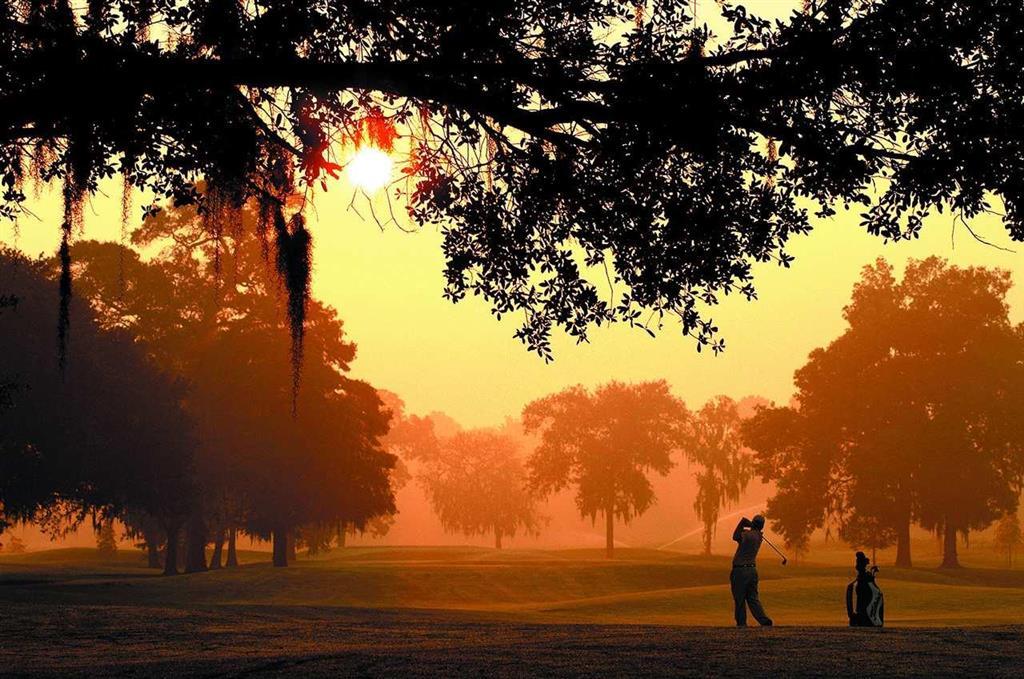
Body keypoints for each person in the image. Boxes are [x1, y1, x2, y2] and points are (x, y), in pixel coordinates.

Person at [730, 514, 773, 627]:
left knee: (739, 599)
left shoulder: (748, 535)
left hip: (740, 571)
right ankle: (764, 620)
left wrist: (742, 522)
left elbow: (735, 536)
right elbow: (746, 532)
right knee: (753, 598)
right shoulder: (759, 536)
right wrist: (750, 525)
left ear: (753, 523)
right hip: (752, 570)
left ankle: (741, 624)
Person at [847, 551, 884, 627]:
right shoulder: (862, 568)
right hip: (862, 587)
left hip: (862, 587)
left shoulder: (861, 567)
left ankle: (864, 619)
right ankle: (865, 619)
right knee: (862, 603)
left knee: (862, 603)